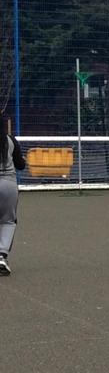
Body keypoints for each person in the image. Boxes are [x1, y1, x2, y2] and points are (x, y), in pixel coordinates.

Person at [0, 117, 26, 276]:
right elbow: (20, 165)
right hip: (8, 185)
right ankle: (2, 256)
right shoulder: (10, 140)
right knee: (8, 221)